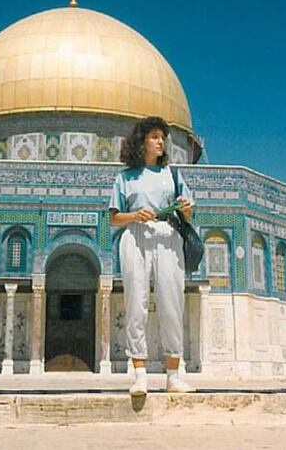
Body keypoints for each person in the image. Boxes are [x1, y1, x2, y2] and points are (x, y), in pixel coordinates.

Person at [109, 116, 196, 395]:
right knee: (136, 305)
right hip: (135, 236)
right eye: (155, 136)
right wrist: (135, 215)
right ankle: (140, 376)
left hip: (167, 236)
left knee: (172, 304)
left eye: (163, 138)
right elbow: (113, 218)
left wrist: (184, 207)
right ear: (142, 141)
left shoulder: (172, 175)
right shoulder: (125, 178)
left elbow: (189, 211)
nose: (161, 142)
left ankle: (173, 375)